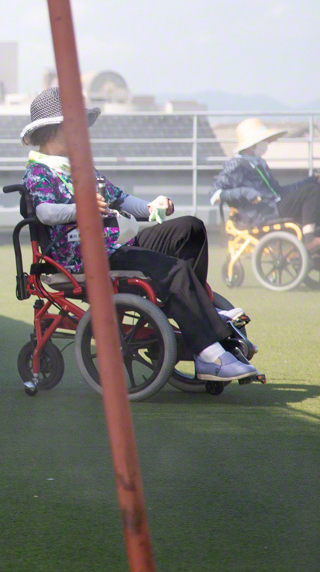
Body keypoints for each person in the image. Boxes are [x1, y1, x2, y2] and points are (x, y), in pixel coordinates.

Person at [20, 88, 255, 382]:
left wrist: (152, 207)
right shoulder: (39, 172)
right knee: (173, 269)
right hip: (83, 258)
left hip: (114, 246)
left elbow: (121, 199)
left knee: (190, 229)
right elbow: (44, 212)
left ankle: (198, 313)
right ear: (52, 130)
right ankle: (209, 352)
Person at [211, 118, 320, 253]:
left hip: (274, 205)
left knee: (314, 189)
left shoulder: (259, 163)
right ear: (251, 145)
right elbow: (215, 194)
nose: (266, 144)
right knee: (311, 191)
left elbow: (279, 192)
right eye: (262, 141)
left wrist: (311, 180)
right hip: (261, 213)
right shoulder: (236, 164)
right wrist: (245, 192)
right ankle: (309, 239)